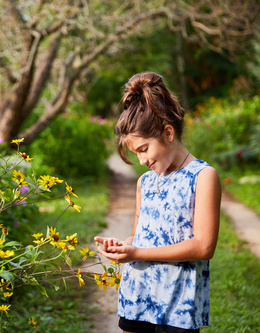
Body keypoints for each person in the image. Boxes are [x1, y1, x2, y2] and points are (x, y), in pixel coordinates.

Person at [94, 72, 221, 333]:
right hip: (137, 295)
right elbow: (139, 235)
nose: (141, 161)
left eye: (144, 149)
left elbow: (203, 246)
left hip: (178, 304)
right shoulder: (145, 183)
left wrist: (137, 253)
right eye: (135, 153)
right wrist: (124, 246)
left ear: (168, 132)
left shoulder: (202, 177)